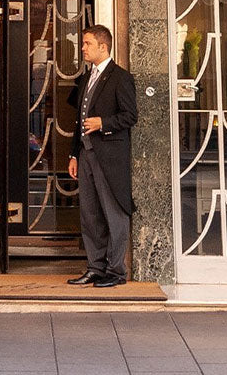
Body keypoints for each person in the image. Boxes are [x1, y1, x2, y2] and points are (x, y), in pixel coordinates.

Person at [66, 23, 138, 288]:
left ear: (103, 46)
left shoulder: (121, 77)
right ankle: (95, 268)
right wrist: (74, 155)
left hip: (109, 157)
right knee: (90, 214)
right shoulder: (86, 78)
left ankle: (116, 271)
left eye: (87, 44)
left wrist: (103, 123)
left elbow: (131, 116)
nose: (83, 48)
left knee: (114, 214)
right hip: (86, 155)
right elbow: (78, 120)